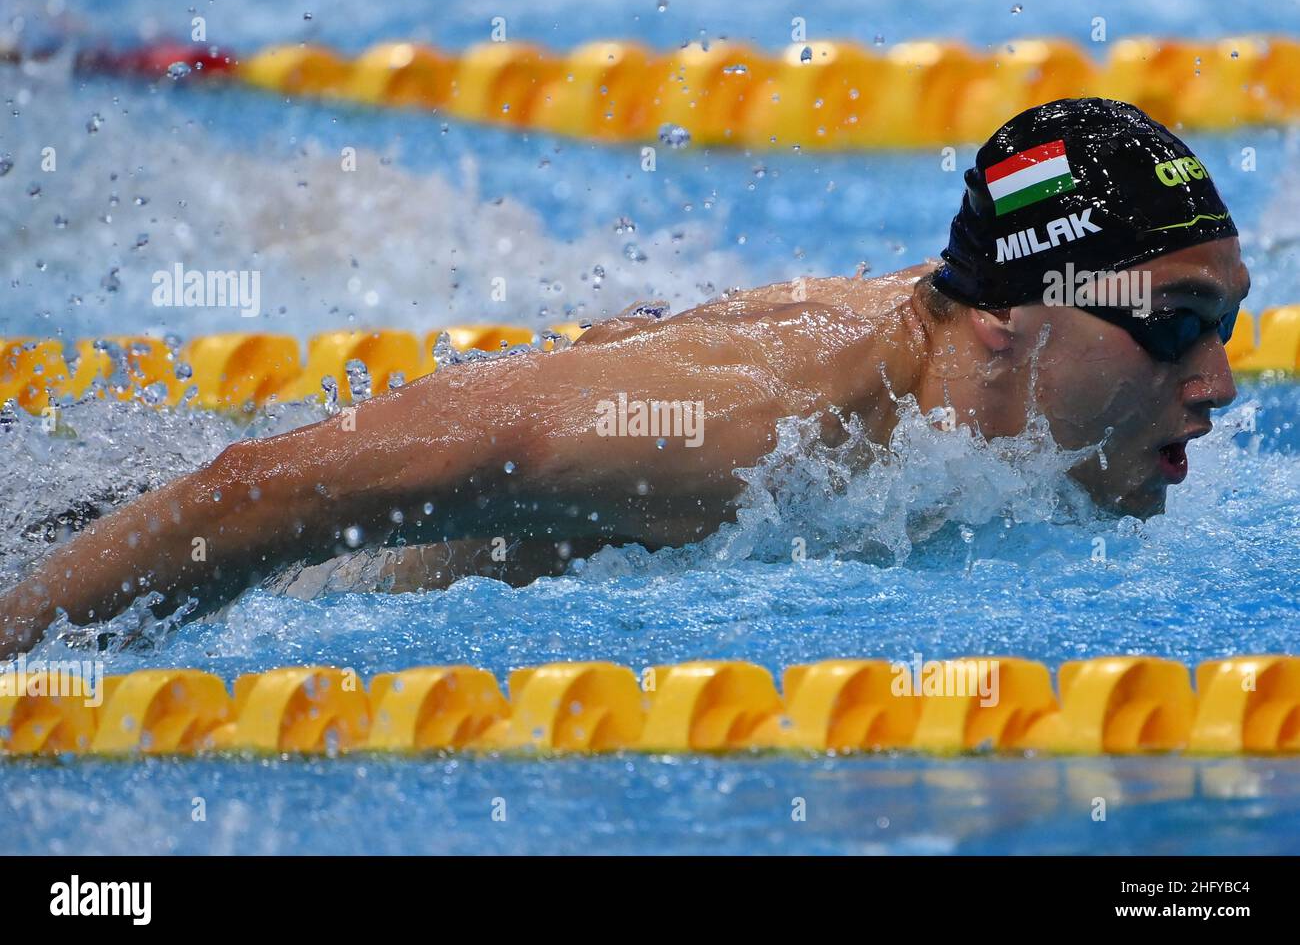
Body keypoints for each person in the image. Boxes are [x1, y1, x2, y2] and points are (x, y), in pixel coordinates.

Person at [0, 98, 1249, 659]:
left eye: (1228, 323)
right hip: (217, 546)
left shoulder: (973, 363)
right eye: (1176, 325)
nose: (1222, 382)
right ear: (1007, 323)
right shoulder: (744, 437)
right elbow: (261, 484)